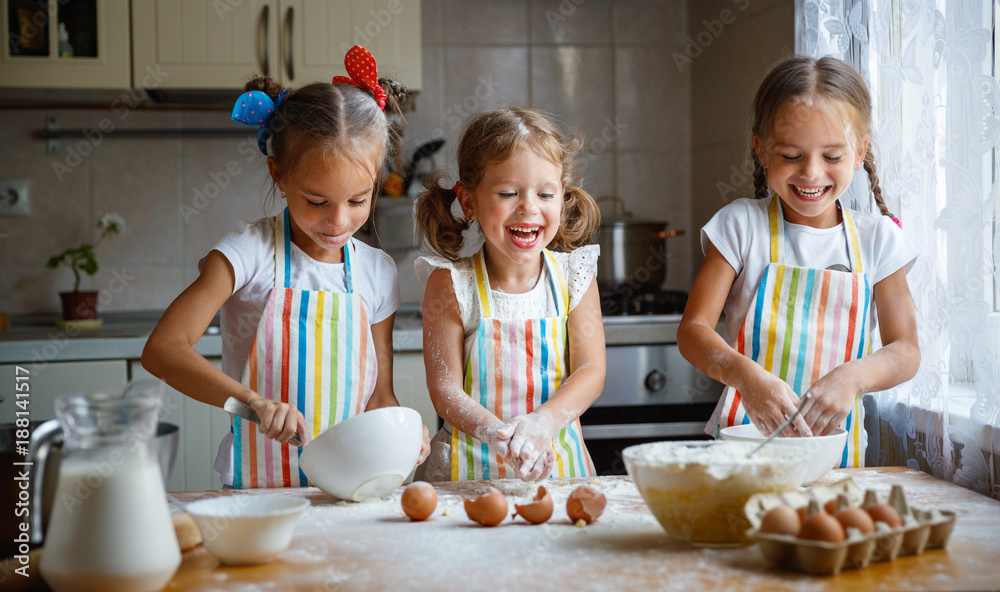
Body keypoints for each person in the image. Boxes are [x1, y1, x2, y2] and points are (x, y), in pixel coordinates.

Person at [143, 46, 428, 489]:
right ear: (278, 174)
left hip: (350, 489)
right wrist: (250, 403)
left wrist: (403, 434)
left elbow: (379, 395)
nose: (339, 221)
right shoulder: (247, 254)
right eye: (317, 201)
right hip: (260, 490)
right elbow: (163, 350)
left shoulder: (377, 270)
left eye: (359, 200)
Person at [678, 56, 921, 467]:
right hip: (745, 448)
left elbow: (906, 349)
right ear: (761, 150)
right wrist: (744, 376)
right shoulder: (740, 226)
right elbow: (692, 331)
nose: (811, 173)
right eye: (791, 155)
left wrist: (853, 377)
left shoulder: (878, 239)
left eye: (831, 157)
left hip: (837, 455)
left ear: (860, 152)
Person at [413, 108, 605, 482]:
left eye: (545, 193)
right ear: (469, 203)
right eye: (508, 193)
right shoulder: (451, 284)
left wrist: (540, 425)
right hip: (465, 475)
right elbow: (445, 389)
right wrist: (503, 438)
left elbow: (591, 371)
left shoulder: (574, 277)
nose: (529, 207)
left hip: (559, 471)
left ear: (562, 198)